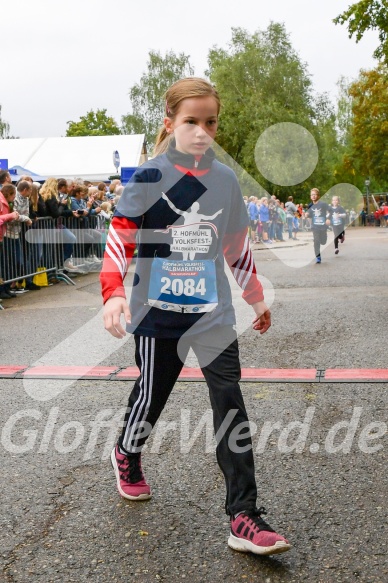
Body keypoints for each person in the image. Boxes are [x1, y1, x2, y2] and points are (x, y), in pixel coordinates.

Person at [100, 77, 291, 557]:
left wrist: (255, 296)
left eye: (211, 122)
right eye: (191, 121)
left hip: (212, 314)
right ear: (169, 124)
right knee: (152, 395)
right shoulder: (147, 178)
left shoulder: (225, 181)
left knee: (229, 399)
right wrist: (111, 294)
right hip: (156, 313)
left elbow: (235, 245)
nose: (202, 131)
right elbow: (121, 235)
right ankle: (127, 451)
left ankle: (243, 515)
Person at [305, 188, 332, 264]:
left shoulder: (323, 204)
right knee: (316, 241)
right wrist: (307, 215)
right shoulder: (310, 205)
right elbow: (310, 214)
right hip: (315, 227)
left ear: (318, 195)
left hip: (323, 226)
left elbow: (331, 211)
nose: (313, 196)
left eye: (314, 194)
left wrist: (328, 219)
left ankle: (322, 239)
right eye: (312, 195)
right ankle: (318, 257)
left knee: (323, 242)